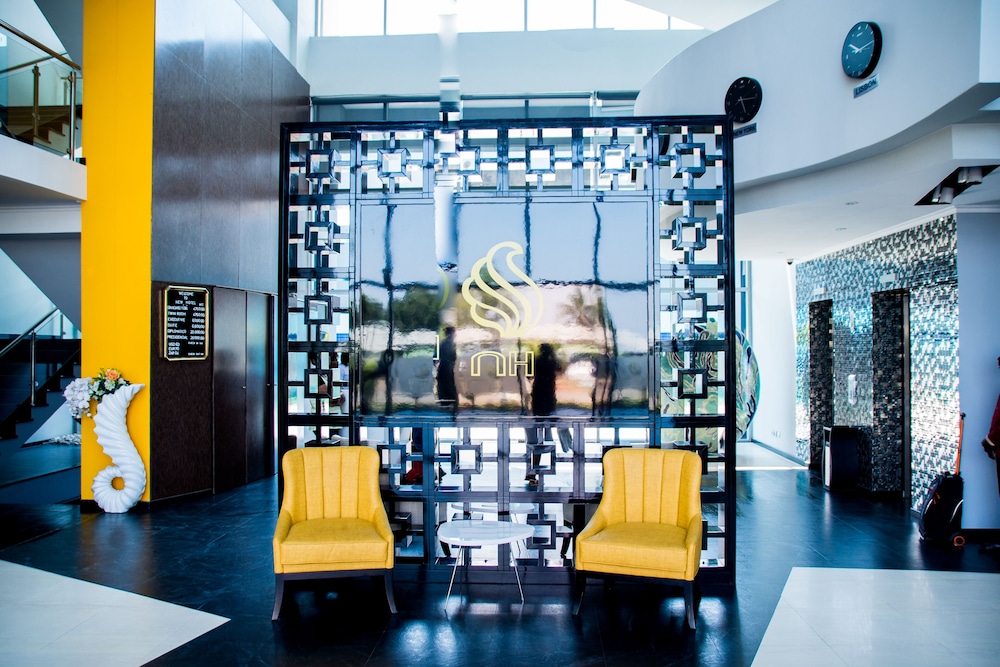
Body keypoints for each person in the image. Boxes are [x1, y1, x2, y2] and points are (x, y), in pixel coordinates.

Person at [436, 326, 457, 413]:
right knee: (449, 388)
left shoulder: (442, 344)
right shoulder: (451, 344)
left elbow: (436, 357)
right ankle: (451, 406)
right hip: (447, 369)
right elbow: (454, 357)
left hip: (443, 369)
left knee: (444, 388)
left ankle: (445, 405)